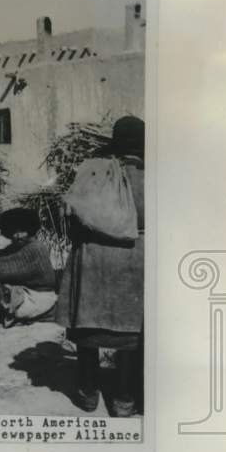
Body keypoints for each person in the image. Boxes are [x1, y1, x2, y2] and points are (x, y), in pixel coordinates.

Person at [56, 115, 145, 417]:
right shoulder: (155, 175)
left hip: (92, 259)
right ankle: (123, 399)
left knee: (88, 325)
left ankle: (88, 392)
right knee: (128, 331)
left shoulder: (93, 171)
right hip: (134, 259)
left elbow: (71, 216)